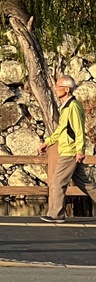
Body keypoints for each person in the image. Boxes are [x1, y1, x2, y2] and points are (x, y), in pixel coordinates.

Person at [38, 74, 96, 222]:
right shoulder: (66, 107)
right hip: (67, 150)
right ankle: (56, 214)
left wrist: (79, 151)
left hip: (70, 152)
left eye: (58, 87)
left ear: (67, 89)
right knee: (86, 184)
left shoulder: (73, 107)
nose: (55, 89)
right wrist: (48, 142)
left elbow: (78, 130)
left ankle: (56, 215)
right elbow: (61, 130)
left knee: (57, 182)